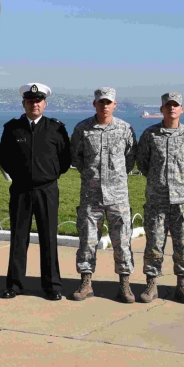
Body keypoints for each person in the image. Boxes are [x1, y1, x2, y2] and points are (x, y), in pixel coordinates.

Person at [0, 83, 71, 301]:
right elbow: (5, 159)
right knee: (18, 239)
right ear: (24, 103)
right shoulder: (13, 128)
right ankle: (14, 284)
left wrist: (49, 174)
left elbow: (65, 159)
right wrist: (22, 175)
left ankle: (52, 286)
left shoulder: (56, 128)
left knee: (48, 238)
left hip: (47, 190)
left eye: (38, 100)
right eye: (30, 101)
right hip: (20, 190)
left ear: (45, 104)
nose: (34, 104)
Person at [69, 87, 137, 303]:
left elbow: (130, 160)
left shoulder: (125, 129)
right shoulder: (83, 129)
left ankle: (125, 285)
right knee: (87, 241)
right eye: (101, 102)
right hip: (91, 196)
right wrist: (92, 177)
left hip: (118, 197)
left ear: (115, 105)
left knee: (122, 242)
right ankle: (86, 283)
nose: (104, 106)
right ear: (94, 104)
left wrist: (114, 179)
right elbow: (76, 158)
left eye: (108, 102)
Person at [136, 92, 184, 304]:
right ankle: (151, 285)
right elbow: (143, 164)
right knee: (154, 244)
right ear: (162, 108)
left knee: (183, 246)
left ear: (182, 109)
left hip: (181, 200)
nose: (172, 108)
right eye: (168, 105)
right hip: (157, 199)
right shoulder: (150, 135)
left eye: (176, 105)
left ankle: (183, 286)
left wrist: (179, 182)